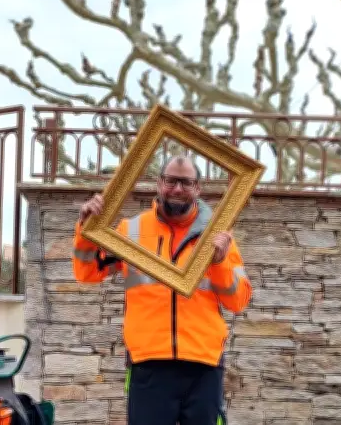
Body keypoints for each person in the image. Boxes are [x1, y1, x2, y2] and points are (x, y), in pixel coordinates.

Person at [72, 155, 251, 425]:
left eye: (186, 182)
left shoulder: (219, 237)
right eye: (171, 181)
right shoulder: (130, 230)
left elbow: (238, 301)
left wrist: (220, 262)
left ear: (198, 188)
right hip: (149, 363)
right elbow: (87, 272)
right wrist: (86, 229)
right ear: (159, 183)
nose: (177, 189)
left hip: (203, 364)